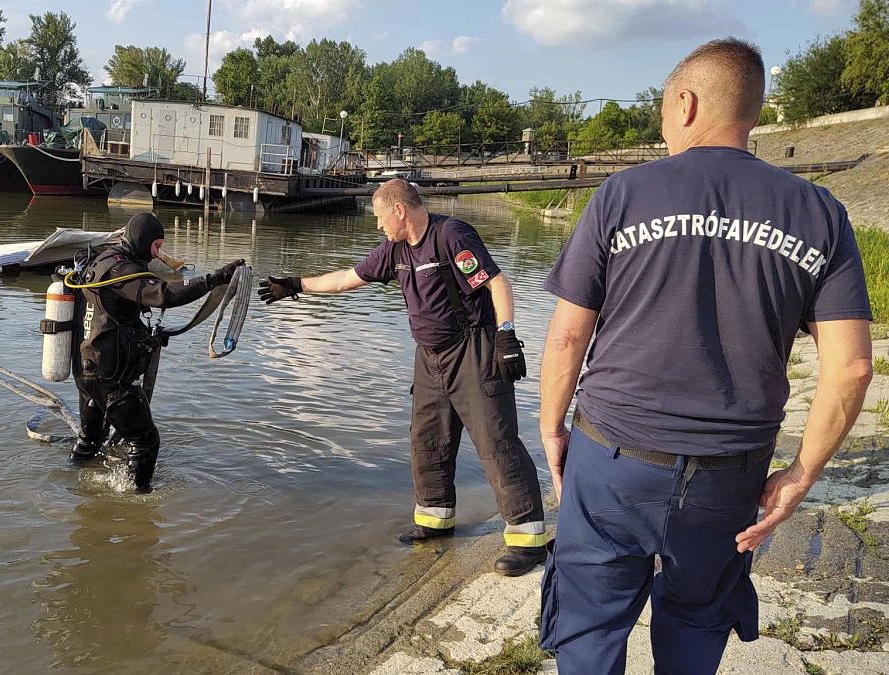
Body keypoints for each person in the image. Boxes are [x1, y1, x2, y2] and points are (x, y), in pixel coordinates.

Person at [537, 38, 873, 674]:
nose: (663, 127)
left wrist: (553, 428)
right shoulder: (817, 211)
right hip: (728, 474)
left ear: (685, 103)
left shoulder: (622, 195)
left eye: (664, 111)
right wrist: (800, 476)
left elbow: (564, 338)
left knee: (588, 626)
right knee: (696, 620)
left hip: (611, 458)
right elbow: (853, 367)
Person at [259, 179, 548, 576]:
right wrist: (294, 286)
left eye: (380, 218)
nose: (378, 226)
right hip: (428, 358)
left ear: (399, 211)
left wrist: (507, 334)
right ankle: (435, 519)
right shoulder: (394, 251)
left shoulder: (451, 236)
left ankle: (528, 537)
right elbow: (346, 279)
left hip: (473, 350)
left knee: (495, 440)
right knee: (427, 438)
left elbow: (497, 283)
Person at [70, 212, 243, 493]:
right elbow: (164, 294)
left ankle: (71, 486)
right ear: (143, 240)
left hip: (87, 370)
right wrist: (214, 279)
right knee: (146, 441)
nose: (158, 253)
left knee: (90, 441)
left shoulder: (100, 261)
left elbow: (112, 314)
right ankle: (136, 506)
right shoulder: (121, 270)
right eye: (157, 246)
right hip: (111, 379)